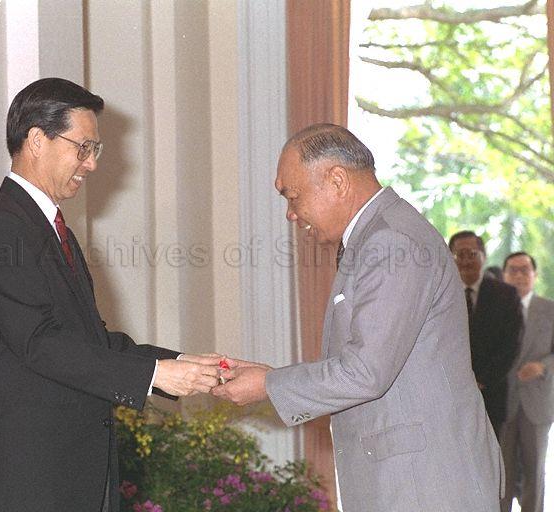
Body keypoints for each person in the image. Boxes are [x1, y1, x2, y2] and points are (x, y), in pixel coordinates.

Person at [0, 78, 220, 512]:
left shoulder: (44, 225)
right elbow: (39, 344)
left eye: (93, 150)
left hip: (65, 473)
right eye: (83, 147)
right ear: (37, 140)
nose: (91, 164)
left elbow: (88, 341)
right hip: (29, 478)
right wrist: (154, 375)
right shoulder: (2, 228)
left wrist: (178, 363)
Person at [212, 124, 503, 511]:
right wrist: (270, 378)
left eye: (293, 196)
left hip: (424, 483)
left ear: (337, 180)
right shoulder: (378, 236)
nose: (291, 214)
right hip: (415, 477)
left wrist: (269, 384)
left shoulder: (391, 241)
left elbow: (366, 372)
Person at [449, 231, 523, 436]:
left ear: (483, 255)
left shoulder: (506, 295)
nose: (465, 261)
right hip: (450, 396)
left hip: (491, 394)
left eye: (471, 254)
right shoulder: (441, 294)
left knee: (491, 462)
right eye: (458, 255)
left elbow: (511, 346)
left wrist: (481, 381)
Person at [500, 252, 554, 512]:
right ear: (504, 275)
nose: (519, 275)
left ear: (535, 275)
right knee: (503, 475)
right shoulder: (495, 310)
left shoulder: (550, 309)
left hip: (538, 402)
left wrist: (543, 366)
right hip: (503, 403)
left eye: (525, 270)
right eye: (513, 270)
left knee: (535, 474)